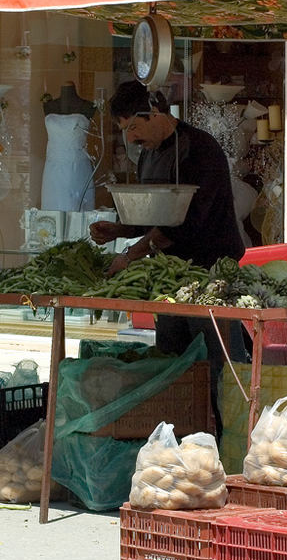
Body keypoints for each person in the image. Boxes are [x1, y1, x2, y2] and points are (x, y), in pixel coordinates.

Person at [89, 80, 247, 440]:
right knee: (173, 362)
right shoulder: (150, 154)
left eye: (133, 126)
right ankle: (180, 442)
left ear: (154, 113)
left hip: (210, 274)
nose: (130, 139)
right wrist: (118, 230)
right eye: (124, 130)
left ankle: (234, 441)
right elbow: (154, 216)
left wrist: (131, 255)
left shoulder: (200, 151)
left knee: (220, 366)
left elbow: (185, 224)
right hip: (172, 278)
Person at [41, 82, 97, 212]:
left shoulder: (87, 106)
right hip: (52, 169)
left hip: (78, 168)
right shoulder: (49, 106)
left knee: (77, 211)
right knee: (53, 213)